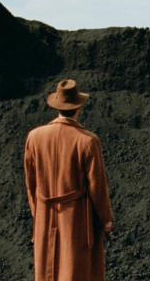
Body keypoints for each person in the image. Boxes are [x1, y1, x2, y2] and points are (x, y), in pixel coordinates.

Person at [24, 79, 114, 281]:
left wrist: (38, 212)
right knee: (76, 268)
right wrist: (105, 218)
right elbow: (97, 186)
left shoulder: (34, 137)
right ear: (78, 107)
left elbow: (31, 183)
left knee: (48, 270)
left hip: (45, 214)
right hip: (76, 217)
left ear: (57, 105)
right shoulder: (87, 140)